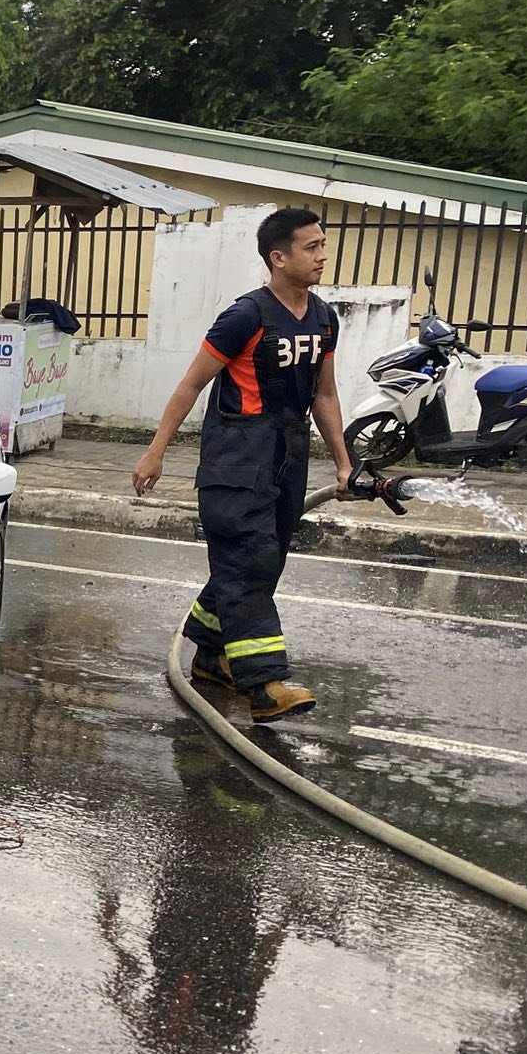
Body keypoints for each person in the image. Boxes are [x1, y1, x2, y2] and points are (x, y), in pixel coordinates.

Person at [132, 207, 351, 722]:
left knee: (262, 562)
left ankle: (211, 655)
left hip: (288, 454)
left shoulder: (323, 318)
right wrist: (156, 450)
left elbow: (324, 393)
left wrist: (344, 463)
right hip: (237, 456)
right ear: (279, 258)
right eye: (311, 247)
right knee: (249, 560)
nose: (322, 255)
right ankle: (265, 684)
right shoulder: (245, 317)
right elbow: (192, 384)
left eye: (323, 245)